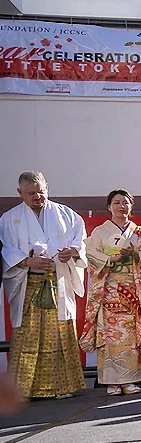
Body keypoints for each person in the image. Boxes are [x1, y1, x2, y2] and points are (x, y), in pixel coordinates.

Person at [0, 171, 87, 399]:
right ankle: (23, 390)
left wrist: (73, 252)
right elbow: (6, 250)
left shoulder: (66, 214)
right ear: (20, 193)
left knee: (60, 334)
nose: (38, 197)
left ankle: (63, 387)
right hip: (28, 283)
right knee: (27, 335)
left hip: (58, 280)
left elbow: (81, 241)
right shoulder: (9, 219)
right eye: (32, 193)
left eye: (41, 191)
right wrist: (27, 261)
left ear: (47, 188)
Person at [80, 189, 141, 396]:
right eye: (116, 202)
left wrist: (135, 254)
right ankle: (111, 381)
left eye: (125, 202)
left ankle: (131, 379)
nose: (121, 206)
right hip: (109, 287)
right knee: (110, 334)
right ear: (109, 207)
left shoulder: (139, 232)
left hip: (132, 287)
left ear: (131, 206)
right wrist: (109, 259)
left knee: (130, 335)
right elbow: (91, 255)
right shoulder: (100, 232)